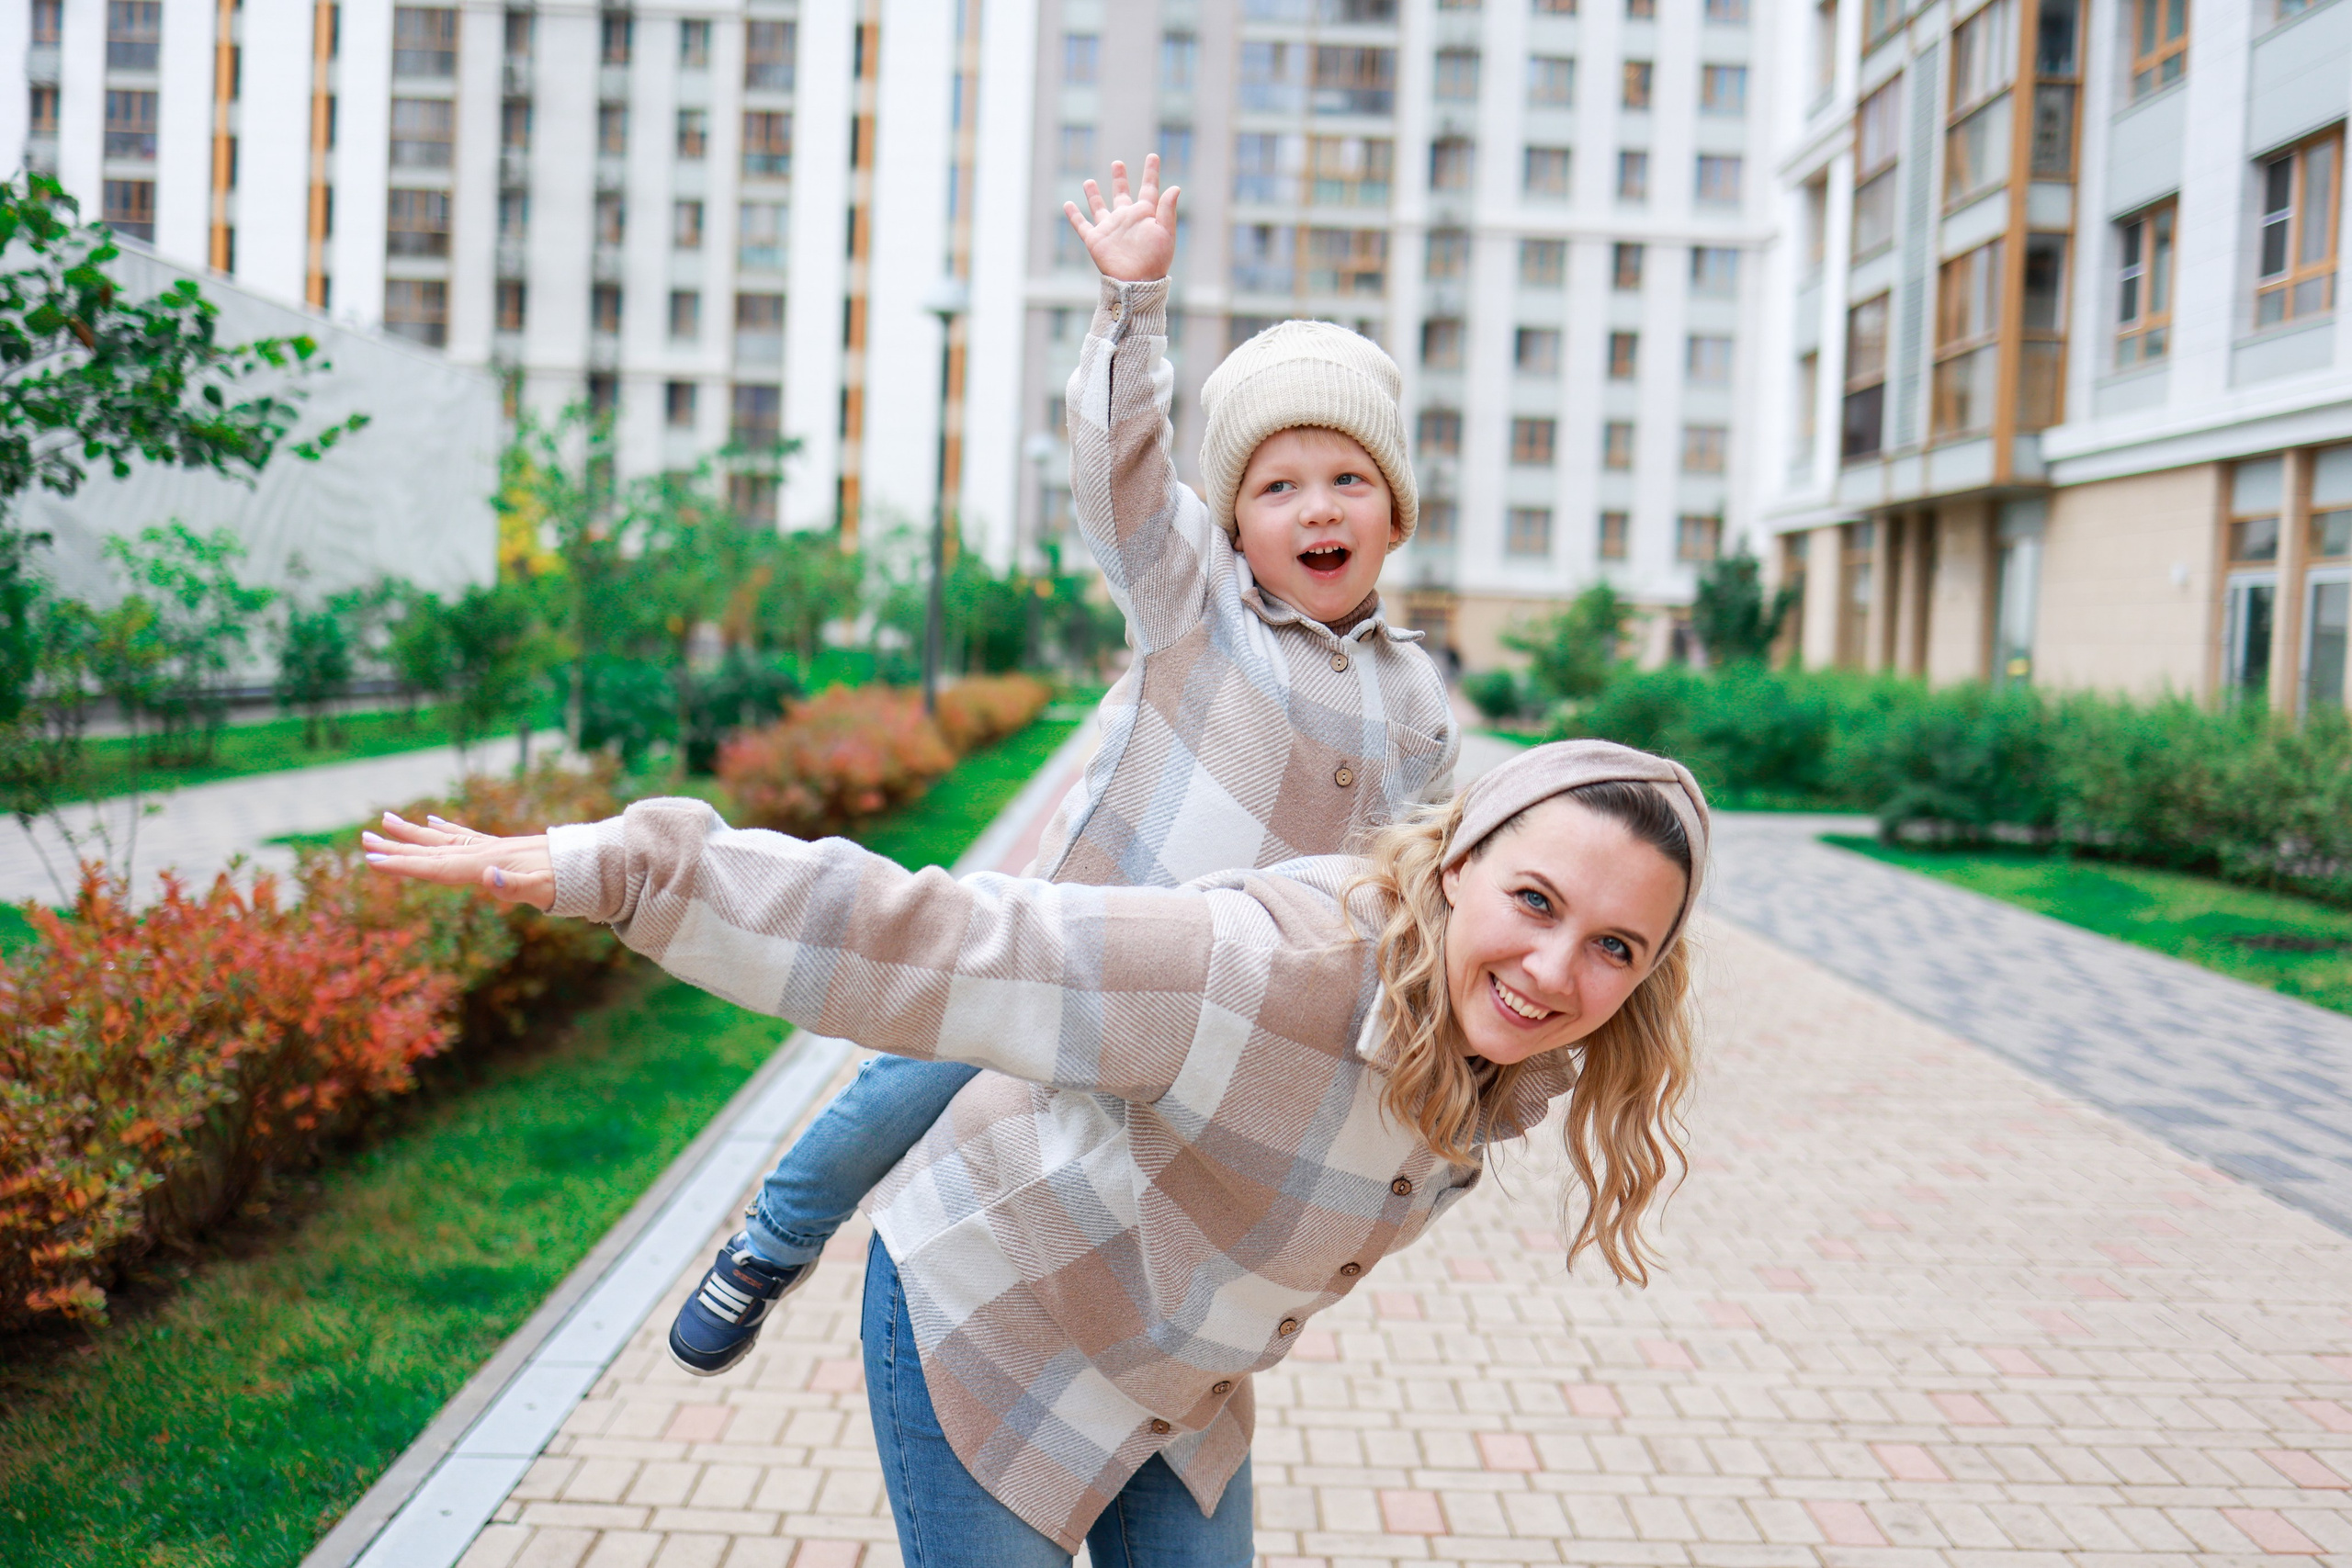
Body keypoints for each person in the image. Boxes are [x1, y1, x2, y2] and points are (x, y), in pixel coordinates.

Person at [362, 736, 1708, 1568]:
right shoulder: (1253, 969)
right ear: (1460, 863)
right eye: (1534, 901)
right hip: (996, 1319)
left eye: (1613, 948)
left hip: (1174, 1382)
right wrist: (618, 865)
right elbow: (942, 939)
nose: (1553, 969)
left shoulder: (1512, 1061)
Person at [652, 153, 1462, 1380]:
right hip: (1079, 941)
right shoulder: (1198, 606)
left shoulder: (1417, 700)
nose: (1317, 511)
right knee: (916, 1071)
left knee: (1149, 1187)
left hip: (1230, 1005)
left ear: (1394, 512)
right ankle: (779, 1234)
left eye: (1349, 481)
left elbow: (1421, 873)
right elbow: (1121, 485)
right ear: (1233, 520)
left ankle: (1110, 1370)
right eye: (1280, 487)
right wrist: (1131, 309)